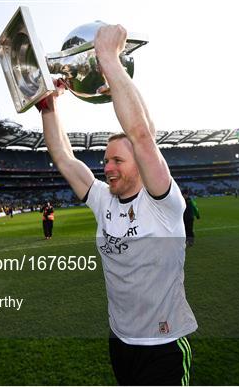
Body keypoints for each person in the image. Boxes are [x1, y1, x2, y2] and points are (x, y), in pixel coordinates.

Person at [39, 24, 197, 385]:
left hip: (163, 345)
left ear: (140, 164)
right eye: (105, 160)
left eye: (116, 161)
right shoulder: (101, 199)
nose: (106, 168)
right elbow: (63, 157)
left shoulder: (163, 202)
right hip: (120, 341)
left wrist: (109, 59)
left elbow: (142, 135)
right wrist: (47, 106)